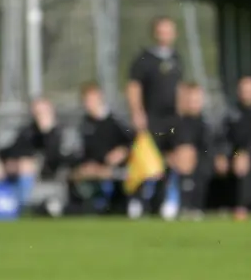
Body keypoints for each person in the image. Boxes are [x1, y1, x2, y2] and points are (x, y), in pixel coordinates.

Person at [125, 16, 183, 216]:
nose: (165, 35)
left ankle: (165, 201)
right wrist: (137, 112)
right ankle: (138, 201)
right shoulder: (144, 58)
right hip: (151, 118)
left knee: (171, 160)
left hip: (172, 119)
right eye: (162, 31)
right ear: (155, 33)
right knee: (147, 159)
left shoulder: (176, 58)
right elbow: (134, 86)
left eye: (169, 31)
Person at [70, 83, 136, 214]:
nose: (89, 104)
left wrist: (122, 152)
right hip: (91, 168)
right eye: (86, 101)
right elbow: (79, 151)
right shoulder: (84, 125)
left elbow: (132, 142)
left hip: (114, 169)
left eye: (92, 100)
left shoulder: (115, 122)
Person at [0, 97, 63, 210]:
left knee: (25, 166)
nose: (39, 115)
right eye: (36, 112)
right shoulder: (28, 130)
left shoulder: (57, 131)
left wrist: (46, 133)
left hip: (44, 171)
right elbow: (14, 149)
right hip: (15, 166)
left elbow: (53, 156)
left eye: (42, 112)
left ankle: (21, 206)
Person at [215, 76, 251, 218]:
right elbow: (222, 138)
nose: (245, 93)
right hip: (235, 153)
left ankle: (247, 205)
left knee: (244, 160)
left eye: (249, 90)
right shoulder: (231, 113)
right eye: (243, 90)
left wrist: (248, 153)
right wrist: (221, 155)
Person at [167, 83, 214, 217]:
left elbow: (208, 149)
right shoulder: (175, 124)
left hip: (199, 169)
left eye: (196, 100)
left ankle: (192, 206)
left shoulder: (205, 126)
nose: (193, 104)